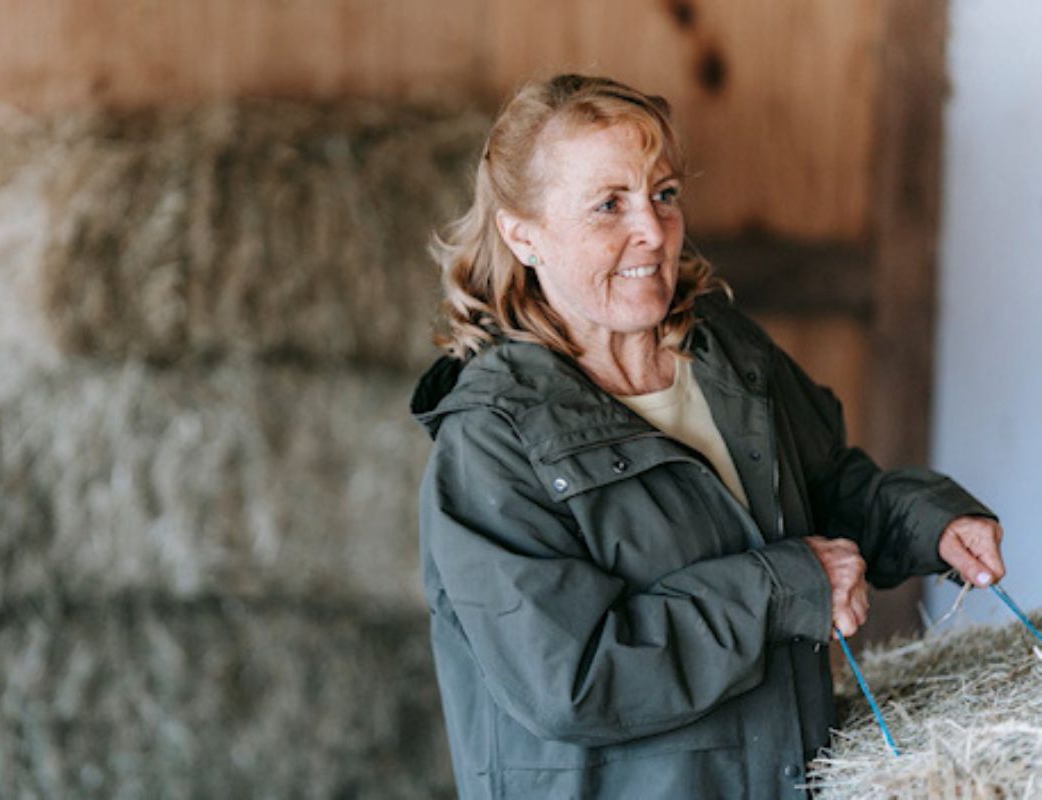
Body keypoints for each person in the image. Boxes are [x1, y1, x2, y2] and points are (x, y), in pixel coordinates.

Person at [410, 74, 1006, 799]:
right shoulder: (491, 439)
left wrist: (930, 522)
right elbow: (574, 680)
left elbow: (826, 491)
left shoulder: (724, 351)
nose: (654, 231)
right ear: (521, 233)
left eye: (663, 193)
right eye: (608, 205)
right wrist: (783, 588)